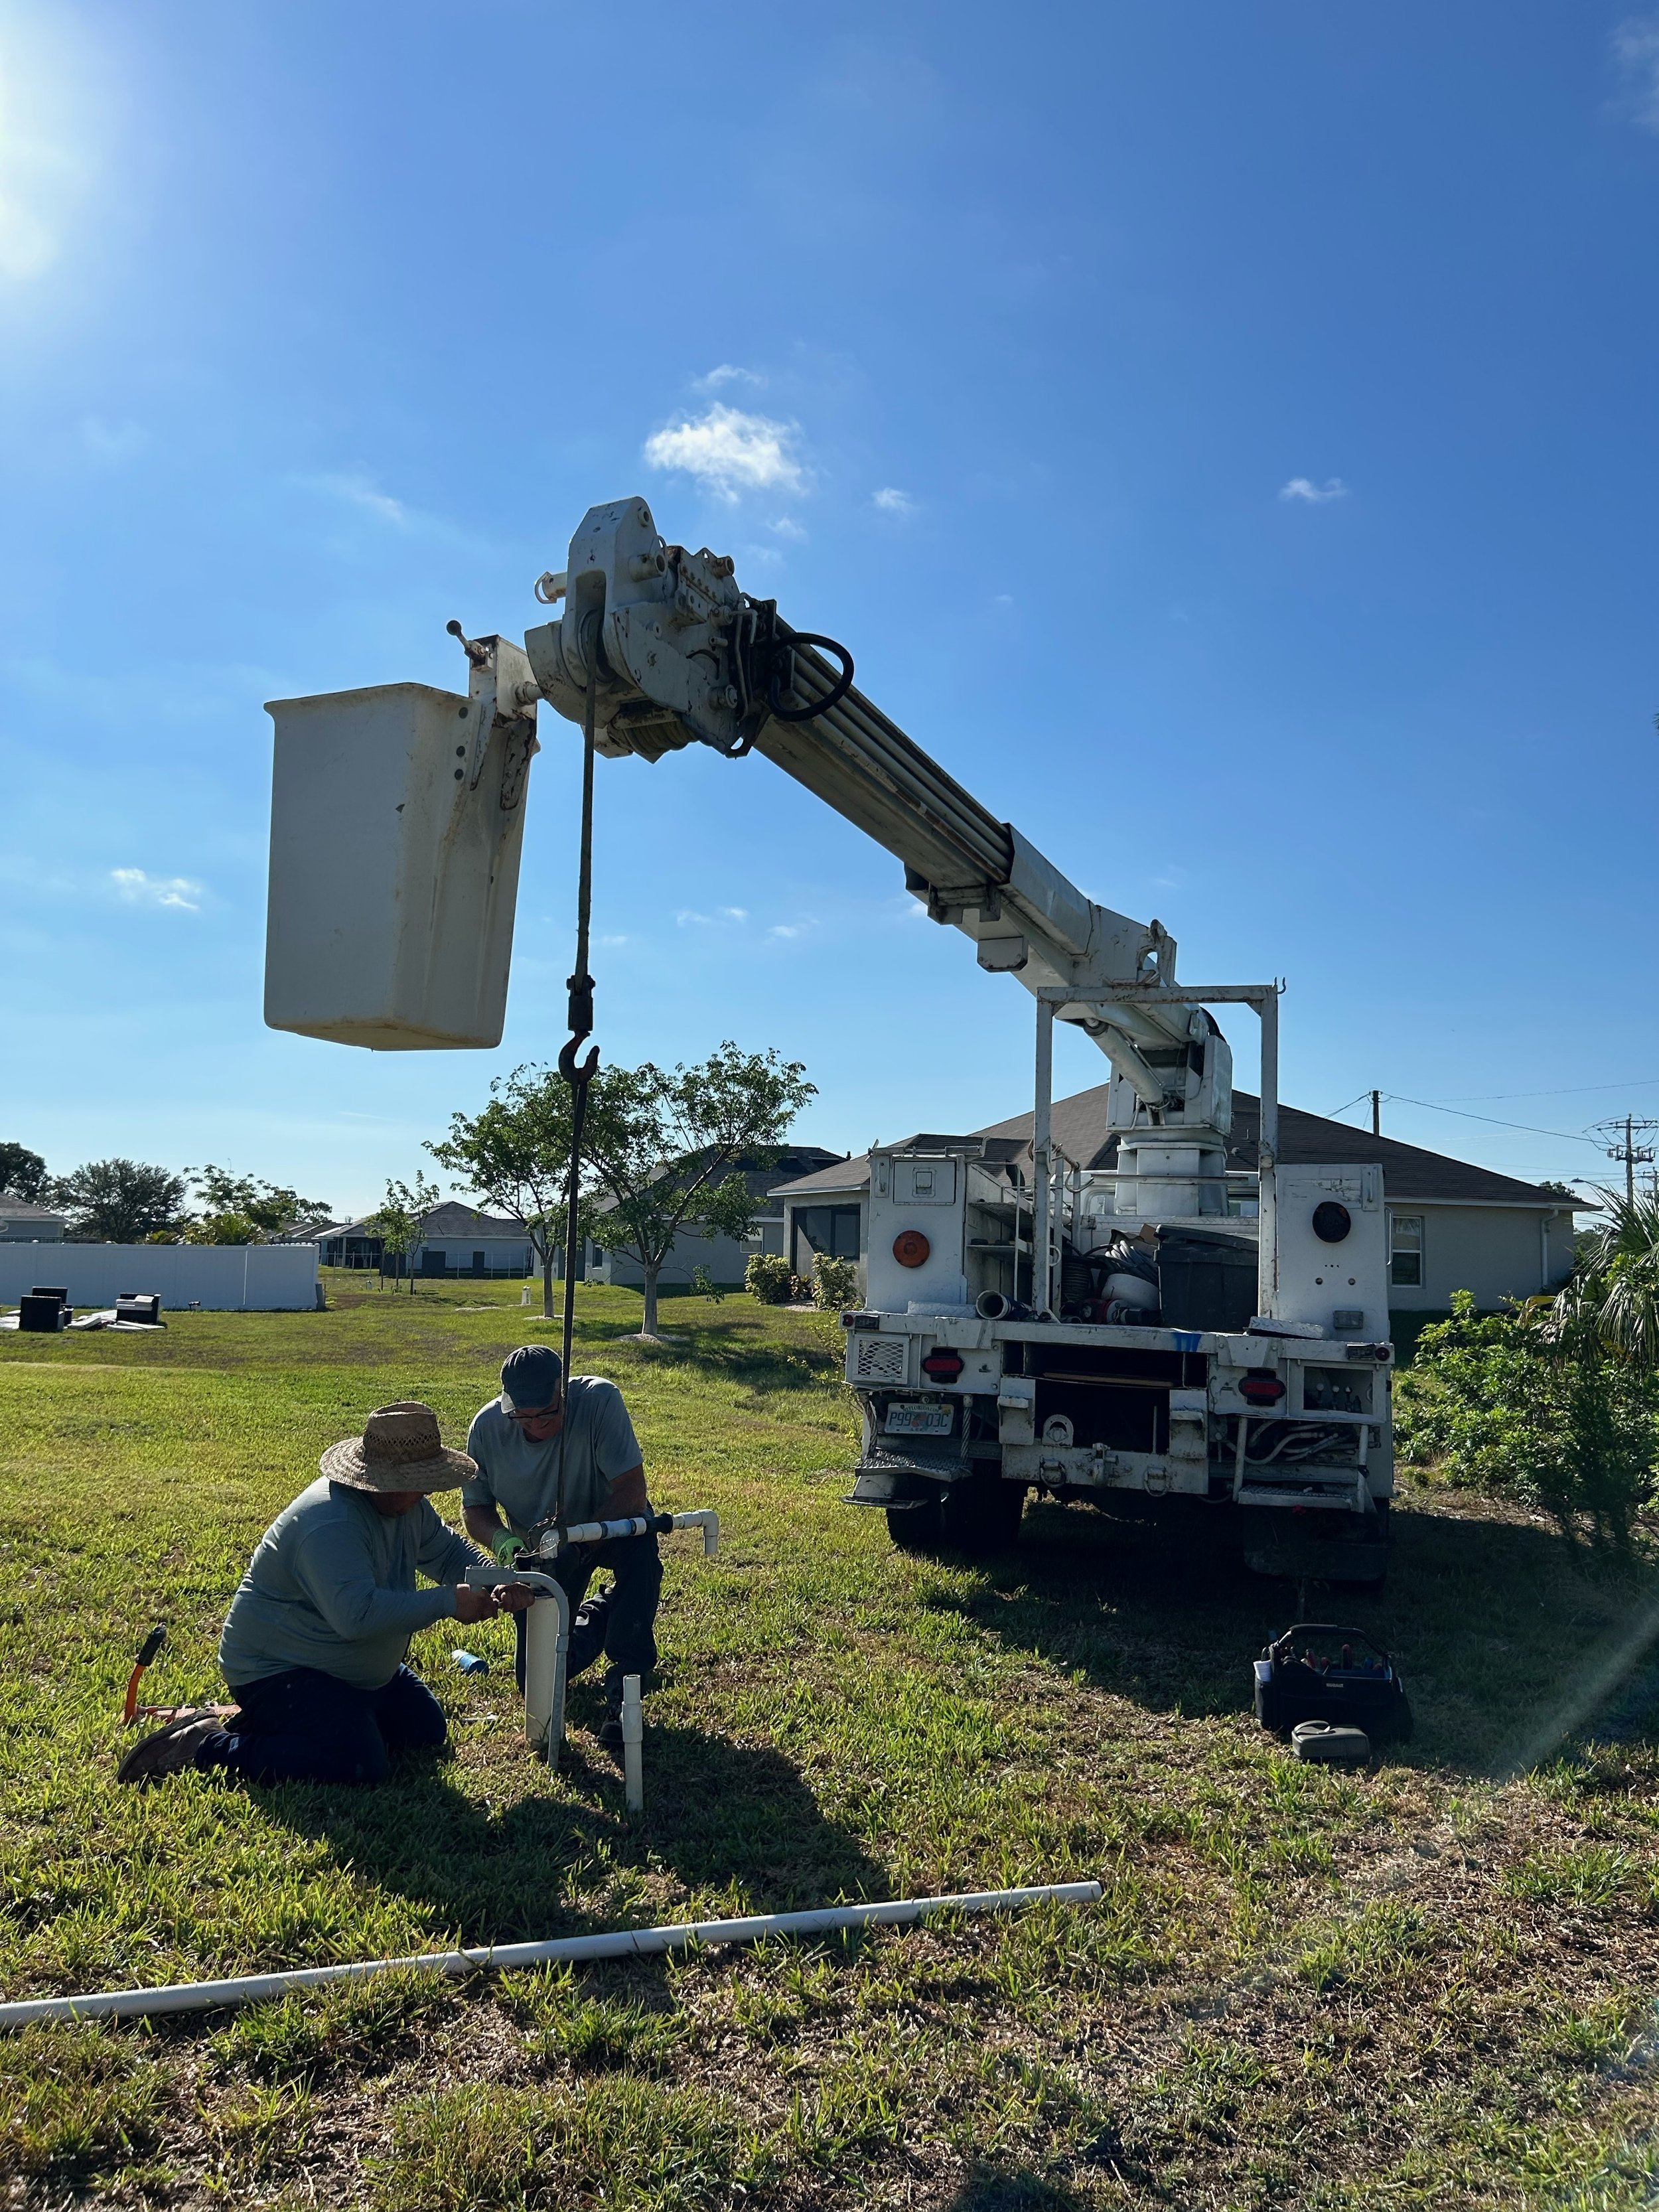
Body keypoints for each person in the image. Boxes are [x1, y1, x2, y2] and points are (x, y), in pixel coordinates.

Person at [117, 1401, 532, 1786]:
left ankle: (300, 1724)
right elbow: (357, 1616)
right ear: (379, 1482)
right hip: (279, 1670)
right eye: (417, 1483)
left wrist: (493, 1579)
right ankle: (203, 1747)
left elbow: (446, 1553)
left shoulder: (407, 1507)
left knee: (424, 1732)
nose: (426, 1493)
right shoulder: (330, 1522)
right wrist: (448, 1601)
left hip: (349, 1673)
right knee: (358, 1764)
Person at [463, 1345, 660, 1748]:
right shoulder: (485, 1429)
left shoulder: (600, 1400)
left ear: (563, 1392)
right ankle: (604, 1614)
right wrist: (505, 1544)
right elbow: (475, 1510)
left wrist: (580, 1541)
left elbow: (632, 1492)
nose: (536, 1426)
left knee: (640, 1551)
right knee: (534, 1678)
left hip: (608, 1525)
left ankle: (626, 1688)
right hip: (540, 1552)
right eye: (523, 1416)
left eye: (548, 1414)